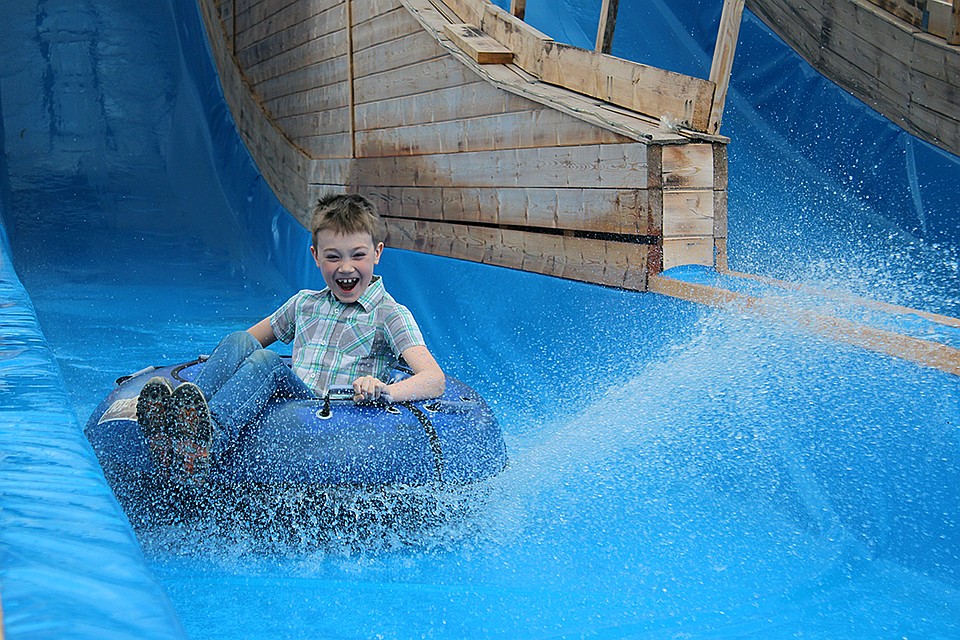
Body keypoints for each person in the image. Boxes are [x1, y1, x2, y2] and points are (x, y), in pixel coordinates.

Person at [136, 194, 445, 481]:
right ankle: (179, 422)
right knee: (240, 341)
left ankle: (210, 439)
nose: (346, 267)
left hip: (328, 411)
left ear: (377, 253)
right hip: (290, 396)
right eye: (333, 256)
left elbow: (434, 379)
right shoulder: (304, 303)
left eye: (358, 255)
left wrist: (385, 390)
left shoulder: (389, 314)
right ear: (316, 256)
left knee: (266, 362)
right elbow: (245, 343)